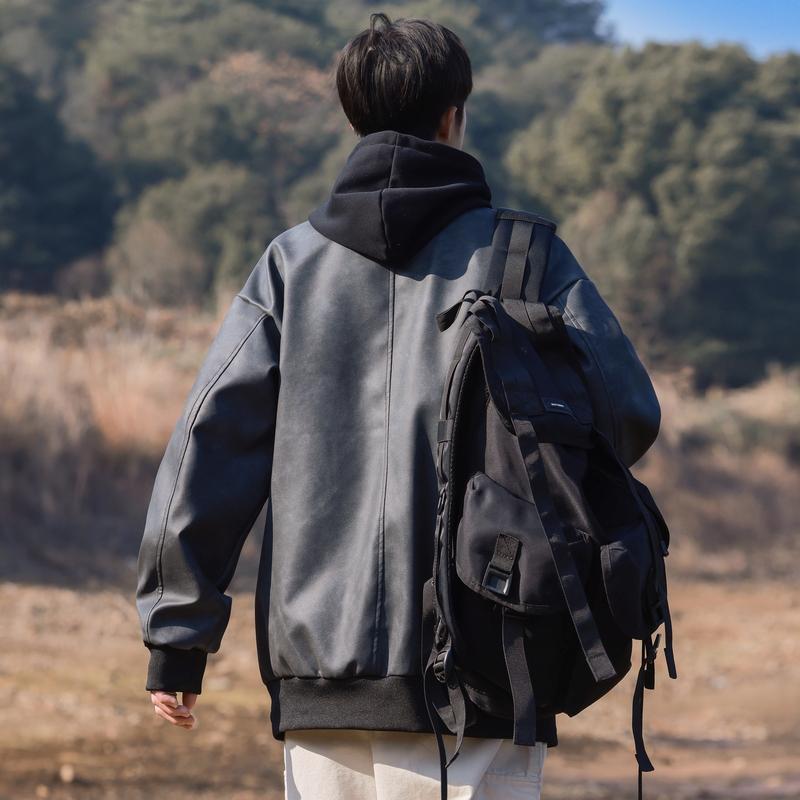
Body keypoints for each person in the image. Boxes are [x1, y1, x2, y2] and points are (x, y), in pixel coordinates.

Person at [135, 12, 661, 800]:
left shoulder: (290, 266)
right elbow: (629, 412)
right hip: (487, 663)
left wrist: (178, 639)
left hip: (320, 683)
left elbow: (206, 454)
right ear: (454, 116)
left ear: (354, 117)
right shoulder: (528, 260)